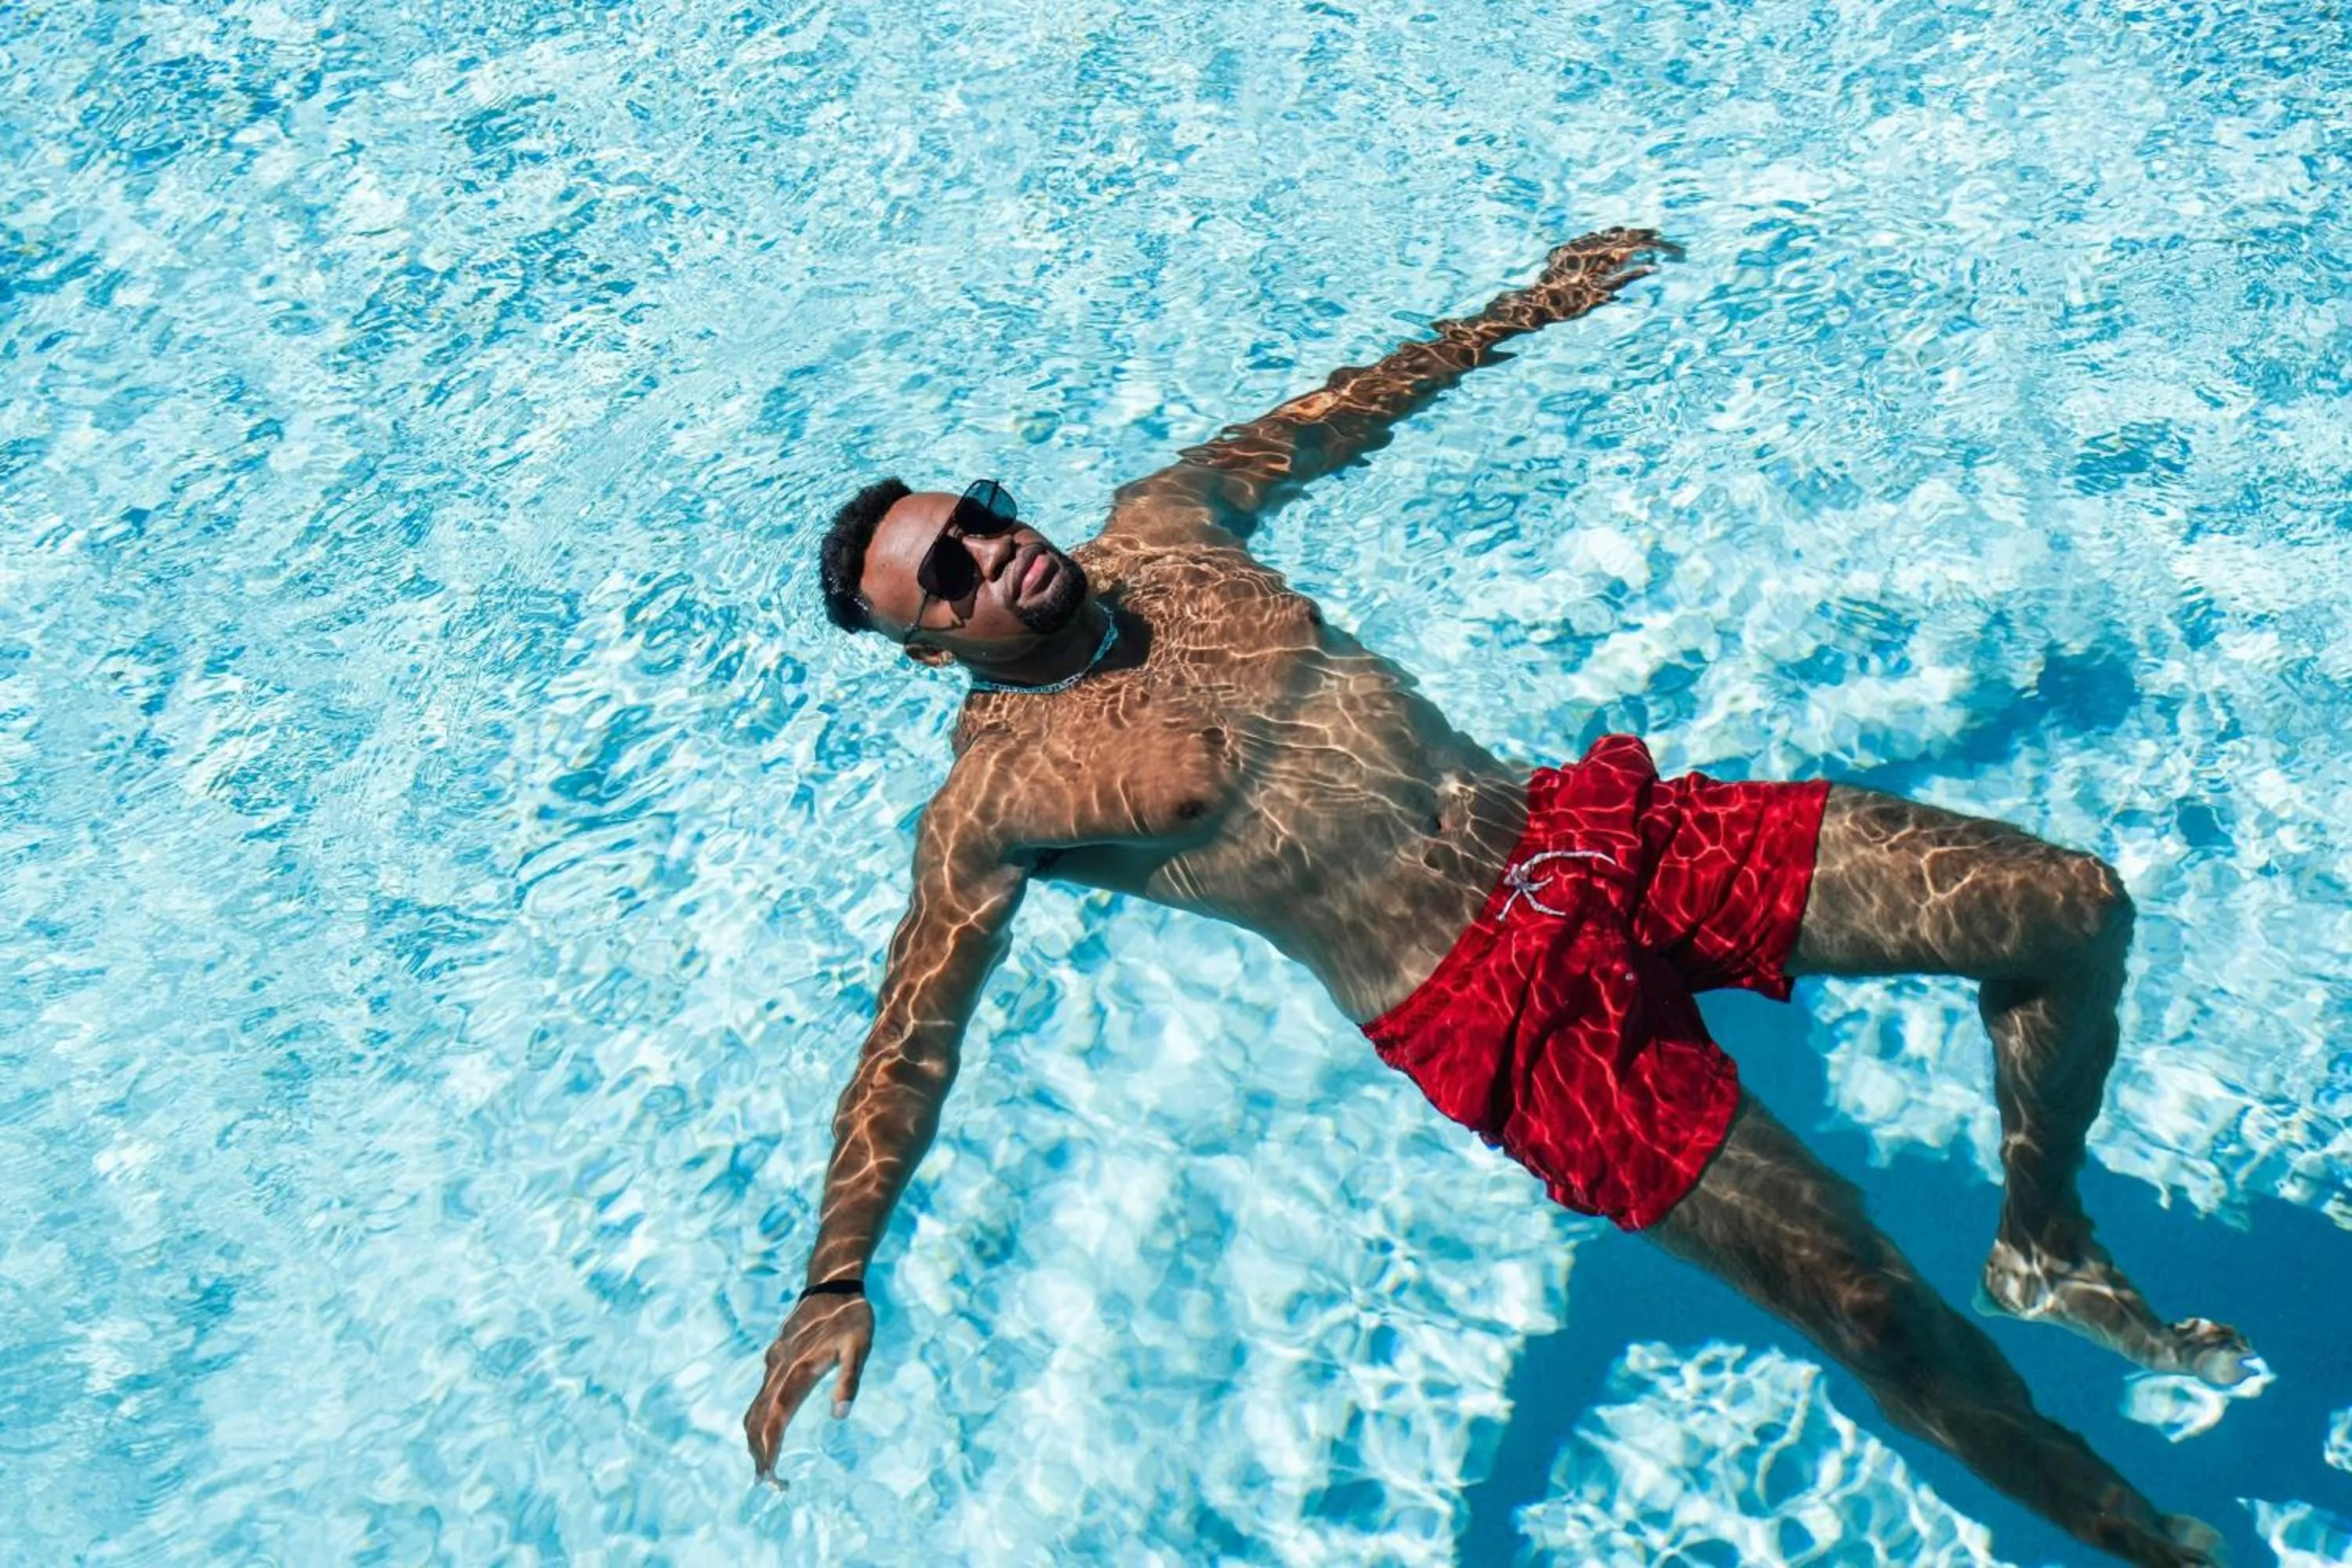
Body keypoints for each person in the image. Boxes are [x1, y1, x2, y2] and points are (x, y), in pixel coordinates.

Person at [744, 229, 2252, 1566]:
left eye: (982, 513)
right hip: (1499, 1015)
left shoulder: (1169, 529)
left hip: (1590, 834)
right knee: (1870, 1312)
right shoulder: (1000, 802)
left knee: (2069, 907)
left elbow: (1345, 409)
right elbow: (910, 1036)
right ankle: (2146, 1542)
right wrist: (836, 1272)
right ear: (929, 648)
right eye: (949, 574)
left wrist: (1533, 307)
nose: (993, 551)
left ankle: (2042, 1237)